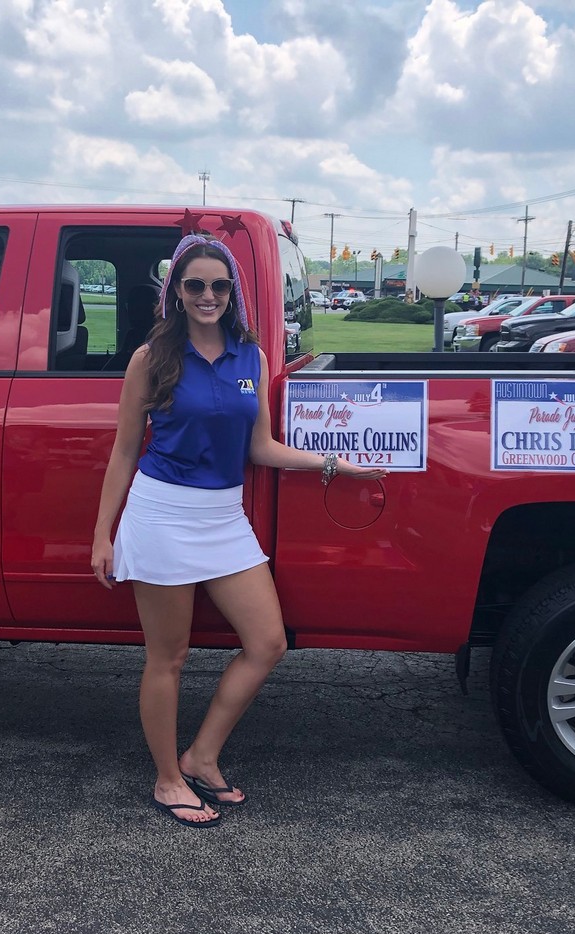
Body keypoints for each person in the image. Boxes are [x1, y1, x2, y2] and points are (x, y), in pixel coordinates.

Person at [91, 234, 387, 828]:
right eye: (195, 284)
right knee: (168, 658)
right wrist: (104, 536)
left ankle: (201, 755)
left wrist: (332, 463)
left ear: (233, 294)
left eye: (219, 286)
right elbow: (124, 453)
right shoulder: (152, 359)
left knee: (267, 642)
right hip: (163, 513)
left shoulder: (250, 357)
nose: (208, 295)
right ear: (176, 291)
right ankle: (167, 778)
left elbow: (260, 448)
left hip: (224, 516)